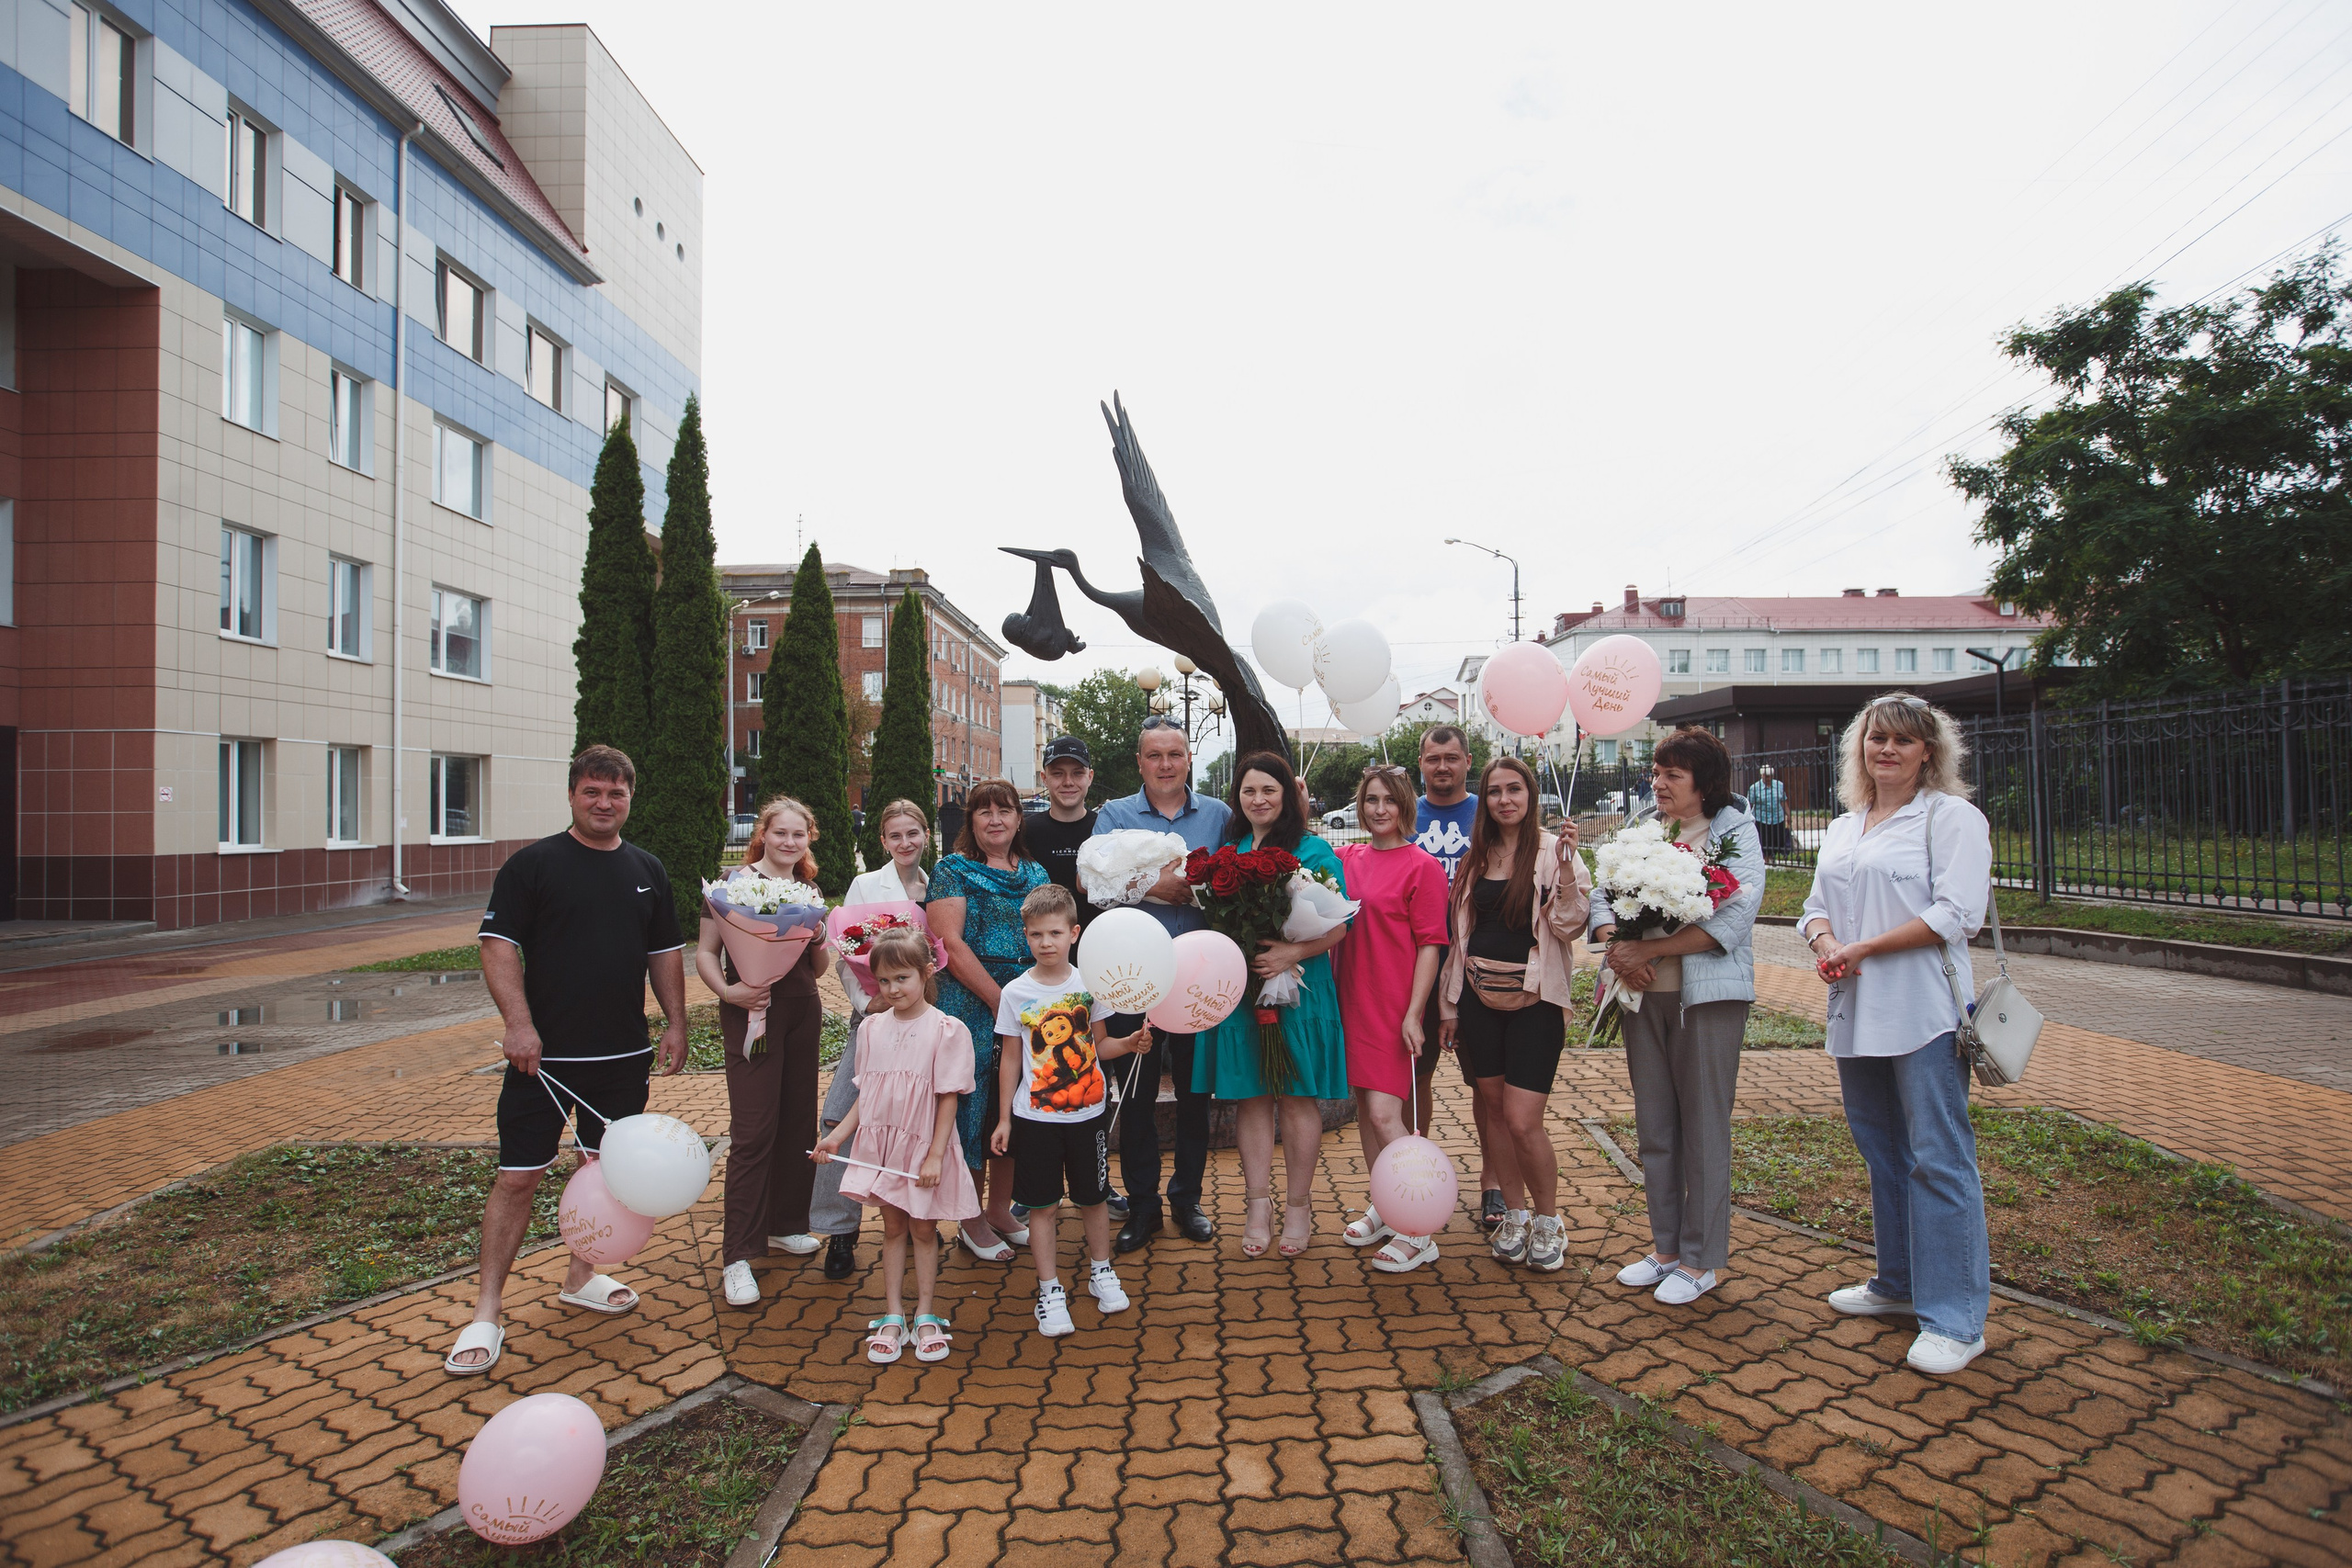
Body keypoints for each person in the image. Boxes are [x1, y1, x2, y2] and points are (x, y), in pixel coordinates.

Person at [447, 745, 686, 1374]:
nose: (604, 803)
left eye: (616, 793)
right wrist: (519, 1025)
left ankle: (582, 1276)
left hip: (622, 1056)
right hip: (542, 1060)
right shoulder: (533, 865)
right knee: (518, 1176)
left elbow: (664, 952)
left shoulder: (648, 869)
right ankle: (487, 1310)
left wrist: (677, 1022)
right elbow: (498, 946)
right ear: (574, 794)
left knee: (603, 1175)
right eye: (593, 792)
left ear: (630, 798)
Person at [1801, 694, 1995, 1377]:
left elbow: (1957, 913)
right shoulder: (1845, 826)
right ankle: (1899, 1281)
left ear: (1929, 753)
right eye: (1877, 738)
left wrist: (1864, 948)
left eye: (1903, 742)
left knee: (1937, 1157)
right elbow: (1815, 907)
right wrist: (1827, 940)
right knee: (1883, 1152)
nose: (1887, 750)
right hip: (1858, 1011)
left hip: (1925, 1013)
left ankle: (1957, 1318)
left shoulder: (1951, 818)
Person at [1590, 728, 1766, 1307]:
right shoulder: (1643, 824)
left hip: (1705, 998)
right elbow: (1601, 892)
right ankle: (1665, 1248)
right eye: (1657, 772)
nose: (1658, 784)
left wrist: (1652, 951)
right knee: (1656, 1124)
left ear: (1704, 783)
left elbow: (1735, 916)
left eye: (1673, 775)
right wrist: (1617, 943)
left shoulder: (1734, 832)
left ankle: (1702, 1258)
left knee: (1704, 1124)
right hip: (1643, 996)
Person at [1194, 750, 1351, 1259]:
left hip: (1300, 989)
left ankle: (1300, 1207)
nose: (1258, 799)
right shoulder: (1228, 851)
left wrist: (1291, 952)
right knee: (1253, 1098)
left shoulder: (1314, 850)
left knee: (1298, 1099)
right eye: (1248, 791)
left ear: (1287, 796)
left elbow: (1339, 924)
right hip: (1244, 992)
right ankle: (1257, 1205)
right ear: (1237, 798)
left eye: (1269, 790)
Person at [1437, 756, 1589, 1274]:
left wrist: (1567, 867)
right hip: (1479, 1001)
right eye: (1496, 791)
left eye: (1515, 790)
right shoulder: (1476, 856)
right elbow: (1460, 938)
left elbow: (1570, 926)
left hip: (1535, 1003)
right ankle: (1516, 1215)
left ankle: (1549, 1220)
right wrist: (1449, 1003)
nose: (1505, 800)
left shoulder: (1552, 852)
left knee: (1524, 1121)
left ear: (1531, 796)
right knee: (1495, 1116)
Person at [1091, 717, 1231, 1251]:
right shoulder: (1115, 815)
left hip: (1200, 979)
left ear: (1189, 758)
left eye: (1175, 754)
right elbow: (1093, 883)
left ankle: (1187, 1200)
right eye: (1155, 755)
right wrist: (1156, 885)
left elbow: (1233, 880)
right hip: (1134, 981)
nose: (1166, 764)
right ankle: (1144, 1207)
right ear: (1140, 762)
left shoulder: (1217, 816)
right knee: (1137, 1096)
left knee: (1196, 1096)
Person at [989, 884, 1152, 1336]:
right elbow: (1009, 1059)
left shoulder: (1090, 983)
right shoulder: (1015, 993)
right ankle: (1049, 1290)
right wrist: (1004, 1118)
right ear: (1026, 936)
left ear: (1074, 933)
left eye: (1055, 933)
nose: (1046, 943)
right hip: (1035, 1119)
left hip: (1088, 1116)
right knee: (1041, 1205)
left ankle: (1101, 1272)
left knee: (1094, 1198)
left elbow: (1100, 1044)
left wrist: (1131, 1043)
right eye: (1037, 934)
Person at [812, 928, 978, 1363]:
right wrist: (835, 1138)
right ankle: (892, 1313)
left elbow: (947, 1099)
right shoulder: (869, 1030)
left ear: (927, 972)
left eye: (902, 978)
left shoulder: (947, 1030)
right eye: (883, 981)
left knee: (924, 1228)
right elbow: (866, 1098)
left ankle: (925, 1312)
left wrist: (937, 1154)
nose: (892, 989)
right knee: (891, 1228)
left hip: (922, 1147)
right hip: (882, 1147)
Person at [698, 795, 834, 1308]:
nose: (789, 843)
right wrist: (729, 992)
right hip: (750, 1012)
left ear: (808, 839)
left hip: (801, 1009)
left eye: (799, 835)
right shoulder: (731, 887)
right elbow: (706, 953)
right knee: (754, 1133)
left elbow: (817, 971)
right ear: (764, 833)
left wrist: (819, 937)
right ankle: (738, 1254)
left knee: (798, 1122)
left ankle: (783, 1225)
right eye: (781, 833)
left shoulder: (809, 889)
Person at [809, 798, 935, 1281]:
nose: (905, 843)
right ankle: (840, 1228)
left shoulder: (936, 884)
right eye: (895, 835)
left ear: (925, 835)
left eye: (913, 833)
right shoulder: (866, 885)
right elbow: (846, 955)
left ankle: (917, 1221)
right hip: (875, 1019)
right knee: (842, 1113)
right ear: (883, 841)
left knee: (910, 1121)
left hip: (923, 1020)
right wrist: (869, 1006)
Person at [1334, 763, 1450, 1273]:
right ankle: (1386, 1204)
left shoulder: (1422, 866)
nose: (1379, 810)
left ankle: (1420, 1227)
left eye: (1389, 801)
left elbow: (1431, 945)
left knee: (1386, 1115)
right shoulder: (1347, 858)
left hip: (1392, 1004)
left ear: (1406, 806)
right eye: (1371, 800)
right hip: (1349, 998)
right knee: (1365, 1109)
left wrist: (1414, 1012)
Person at [928, 777, 1049, 1260]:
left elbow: (1049, 934)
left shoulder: (1037, 874)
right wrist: (1003, 1003)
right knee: (973, 1111)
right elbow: (949, 946)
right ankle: (969, 1217)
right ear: (971, 822)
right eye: (985, 812)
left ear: (1019, 818)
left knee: (1018, 1105)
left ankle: (1001, 1209)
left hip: (1030, 1003)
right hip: (973, 1006)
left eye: (1005, 810)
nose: (995, 819)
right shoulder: (952, 870)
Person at [1018, 735, 1126, 1220]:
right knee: (1044, 1074)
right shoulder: (1028, 830)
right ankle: (1034, 1189)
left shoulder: (1106, 829)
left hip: (1100, 973)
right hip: (1043, 977)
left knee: (1097, 1079)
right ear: (1045, 777)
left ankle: (1099, 1179)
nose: (1067, 782)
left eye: (1076, 773)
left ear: (1088, 776)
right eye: (1057, 773)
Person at [1413, 725, 1502, 1233]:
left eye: (1451, 758)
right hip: (1421, 967)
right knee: (1415, 1076)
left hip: (1479, 967)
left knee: (1487, 1084)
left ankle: (1492, 1183)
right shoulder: (1407, 819)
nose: (1442, 767)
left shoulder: (1488, 814)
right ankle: (1417, 1175)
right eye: (1433, 759)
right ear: (1421, 763)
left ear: (1468, 761)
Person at [1749, 765, 1789, 853]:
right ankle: (1766, 858)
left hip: (1777, 818)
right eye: (1766, 776)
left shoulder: (1779, 785)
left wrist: (1788, 815)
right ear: (1761, 775)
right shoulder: (1754, 788)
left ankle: (1775, 858)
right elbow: (1750, 804)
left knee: (1777, 840)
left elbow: (1783, 801)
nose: (1768, 778)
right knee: (1764, 841)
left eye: (1770, 776)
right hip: (1762, 819)